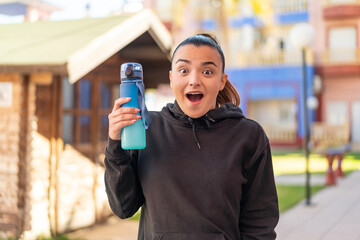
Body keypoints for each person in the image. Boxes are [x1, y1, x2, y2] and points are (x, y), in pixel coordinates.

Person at [104, 33, 279, 240]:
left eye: (207, 71)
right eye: (184, 70)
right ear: (171, 78)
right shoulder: (146, 128)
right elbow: (123, 207)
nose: (194, 81)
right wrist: (115, 143)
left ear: (222, 81)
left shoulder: (249, 136)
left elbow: (260, 224)